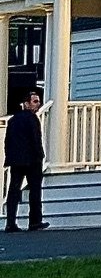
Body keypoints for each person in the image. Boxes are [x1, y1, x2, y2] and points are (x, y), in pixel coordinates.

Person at [4, 90, 47, 232]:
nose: (38, 104)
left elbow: (7, 141)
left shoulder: (12, 120)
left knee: (14, 190)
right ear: (26, 104)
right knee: (35, 190)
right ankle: (34, 221)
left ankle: (10, 223)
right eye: (35, 101)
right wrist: (40, 155)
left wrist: (9, 157)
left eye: (38, 101)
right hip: (32, 160)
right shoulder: (32, 119)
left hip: (16, 160)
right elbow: (36, 139)